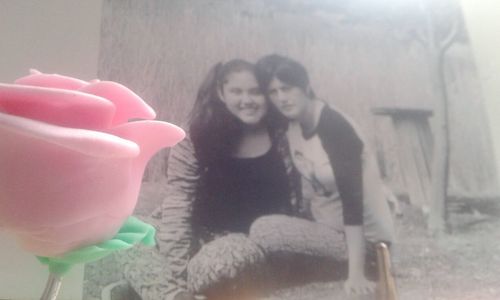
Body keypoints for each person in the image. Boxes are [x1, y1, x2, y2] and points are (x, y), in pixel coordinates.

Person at [122, 59, 303, 300]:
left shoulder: (283, 136)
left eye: (255, 92)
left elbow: (298, 200)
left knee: (224, 259)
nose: (246, 100)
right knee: (126, 233)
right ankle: (175, 295)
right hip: (199, 233)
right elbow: (179, 203)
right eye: (236, 91)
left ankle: (166, 289)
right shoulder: (198, 134)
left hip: (246, 245)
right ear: (221, 93)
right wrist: (178, 269)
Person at [254, 54, 395, 296]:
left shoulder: (334, 125)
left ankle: (359, 266)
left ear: (305, 86)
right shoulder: (294, 123)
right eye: (273, 92)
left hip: (367, 244)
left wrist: (356, 274)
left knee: (264, 229)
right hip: (328, 231)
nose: (281, 98)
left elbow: (353, 203)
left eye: (286, 88)